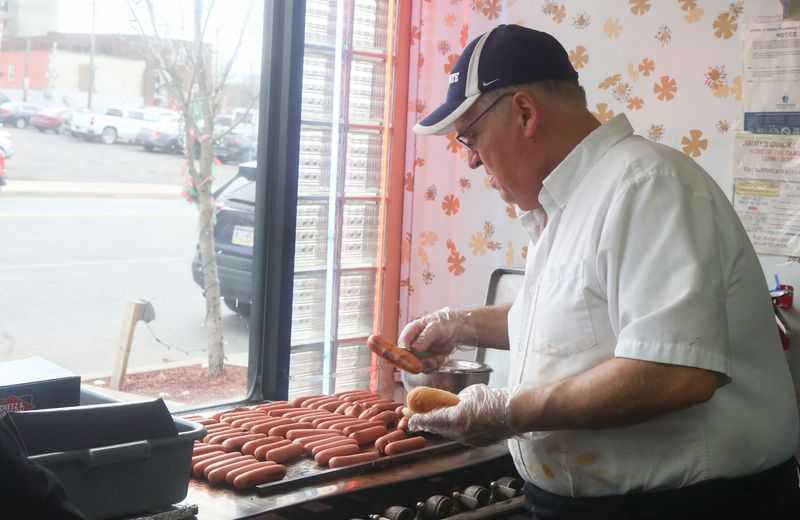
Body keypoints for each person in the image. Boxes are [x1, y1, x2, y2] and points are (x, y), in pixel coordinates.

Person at [403, 24, 800, 519]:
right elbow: (571, 323)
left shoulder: (648, 185)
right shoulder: (568, 202)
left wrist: (508, 411)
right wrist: (460, 324)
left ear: (525, 112)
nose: (471, 162)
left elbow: (676, 373)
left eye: (471, 137)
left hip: (686, 507)